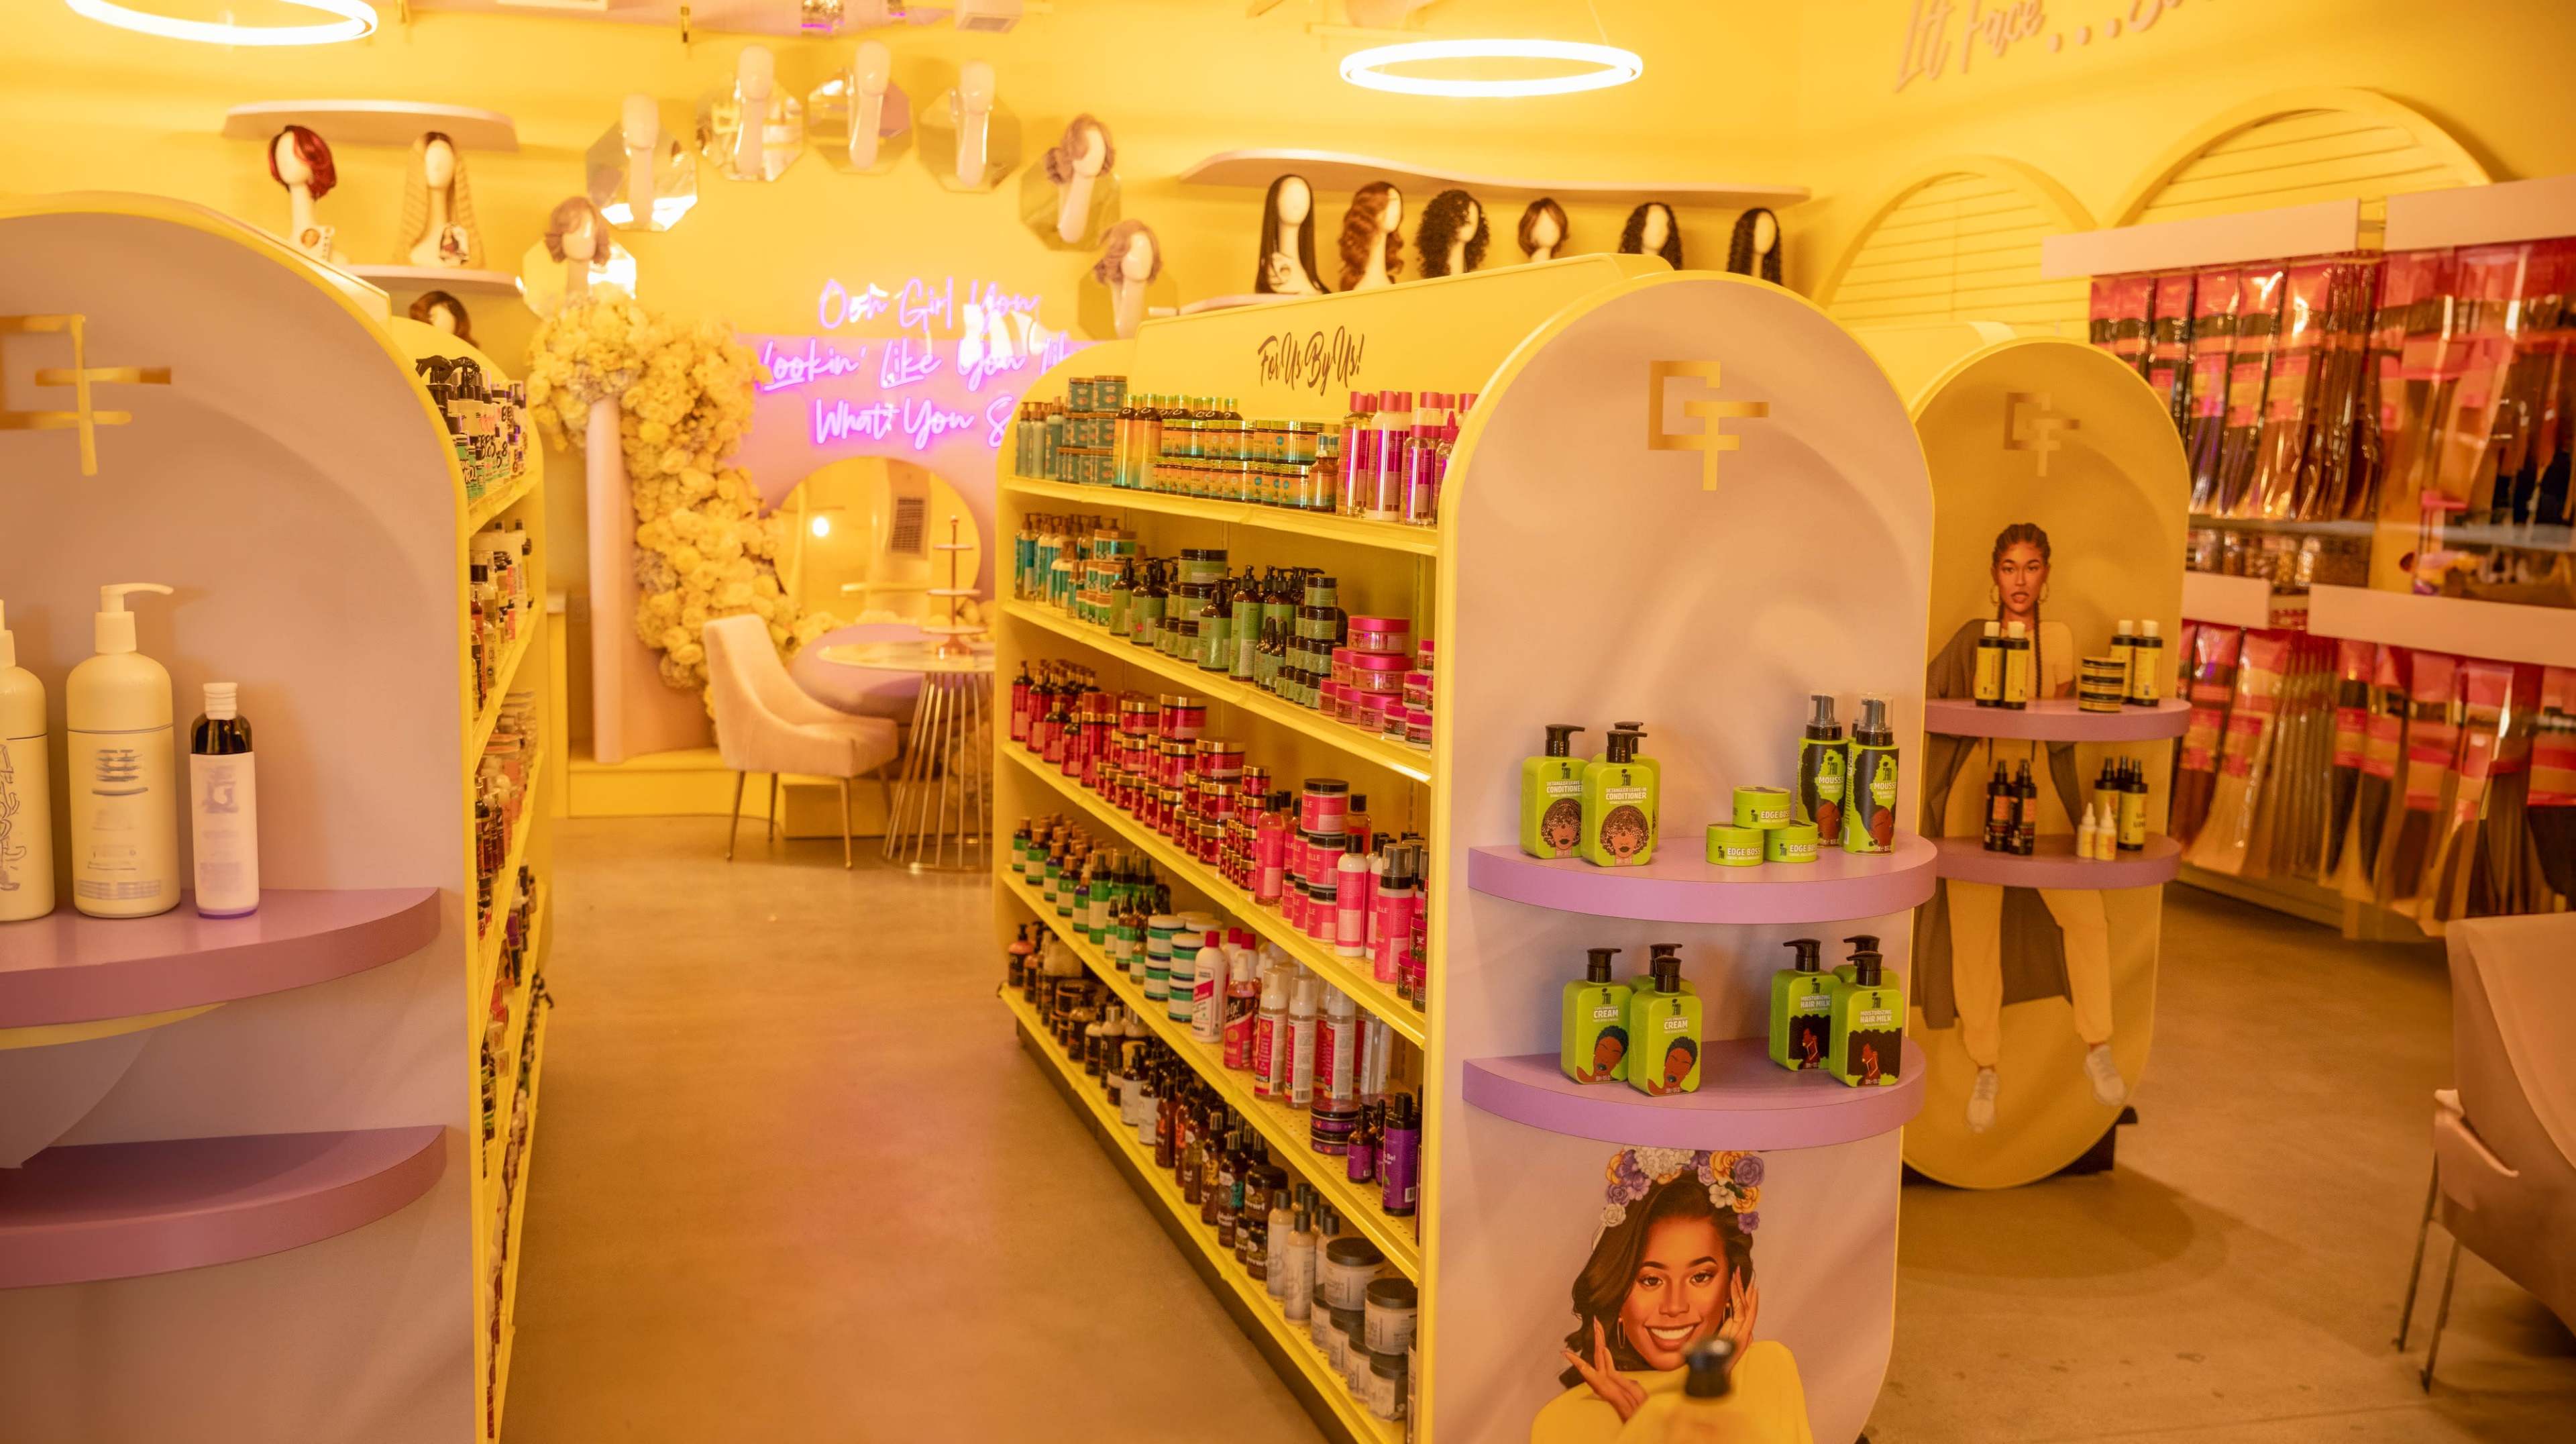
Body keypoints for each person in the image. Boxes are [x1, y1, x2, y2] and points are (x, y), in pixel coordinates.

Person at [1919, 522, 2125, 1134]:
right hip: (1972, 791)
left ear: (2047, 574)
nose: (2020, 580)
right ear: (1994, 574)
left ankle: (2098, 1046)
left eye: (2032, 567)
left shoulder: (2058, 639)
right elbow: (1929, 700)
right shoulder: (1970, 638)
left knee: (2084, 914)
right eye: (2010, 567)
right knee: (1974, 931)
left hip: (2037, 788)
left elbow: (2057, 724)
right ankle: (1986, 1063)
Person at [1532, 1150, 1811, 1444]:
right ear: (1618, 1296)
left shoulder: (1765, 1369)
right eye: (1651, 1280)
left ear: (1732, 1286)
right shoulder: (1562, 1419)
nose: (1675, 1306)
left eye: (1700, 1277)